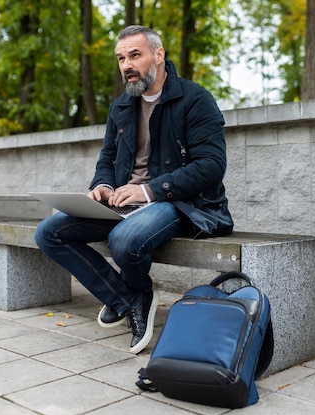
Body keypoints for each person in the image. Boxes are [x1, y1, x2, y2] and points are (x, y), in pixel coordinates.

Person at [34, 25, 233, 354]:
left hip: (184, 205)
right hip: (125, 204)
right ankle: (132, 298)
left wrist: (148, 191)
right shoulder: (121, 108)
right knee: (49, 232)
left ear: (158, 55)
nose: (126, 64)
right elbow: (107, 159)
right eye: (121, 58)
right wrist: (101, 186)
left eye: (135, 55)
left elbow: (211, 166)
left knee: (124, 239)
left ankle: (128, 298)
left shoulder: (195, 99)